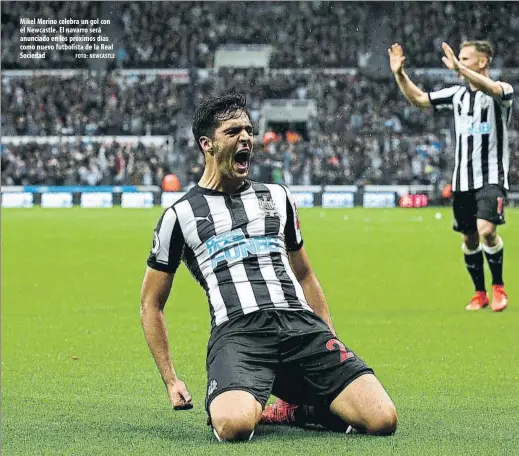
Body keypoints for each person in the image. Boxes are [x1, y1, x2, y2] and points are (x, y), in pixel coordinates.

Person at [140, 93, 397, 442]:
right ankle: (259, 398)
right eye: (233, 131)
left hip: (300, 326)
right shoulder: (179, 216)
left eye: (248, 129)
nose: (246, 137)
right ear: (207, 144)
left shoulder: (277, 197)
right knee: (234, 426)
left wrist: (327, 337)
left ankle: (298, 407)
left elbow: (305, 275)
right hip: (238, 333)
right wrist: (171, 380)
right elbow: (151, 304)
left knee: (383, 419)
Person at [388, 40, 513, 312]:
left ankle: (499, 287)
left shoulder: (502, 92)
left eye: (466, 59)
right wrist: (400, 74)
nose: (459, 63)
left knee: (487, 230)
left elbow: (491, 87)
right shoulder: (456, 95)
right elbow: (419, 99)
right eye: (460, 59)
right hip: (462, 182)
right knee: (469, 239)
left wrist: (458, 68)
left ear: (483, 62)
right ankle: (479, 293)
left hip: (491, 178)